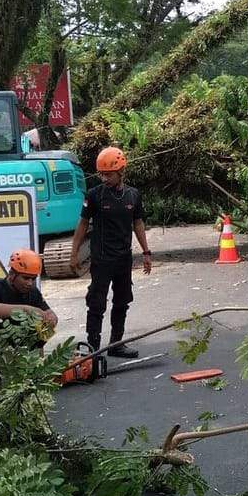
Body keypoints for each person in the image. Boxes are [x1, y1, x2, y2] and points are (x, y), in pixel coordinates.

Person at [69, 146, 152, 357]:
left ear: (121, 172)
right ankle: (93, 348)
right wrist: (74, 253)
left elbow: (138, 223)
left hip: (124, 259)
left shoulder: (133, 195)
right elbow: (82, 224)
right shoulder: (94, 195)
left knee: (122, 301)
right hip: (102, 259)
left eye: (109, 174)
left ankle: (116, 344)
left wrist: (146, 252)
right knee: (96, 303)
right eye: (102, 174)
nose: (105, 178)